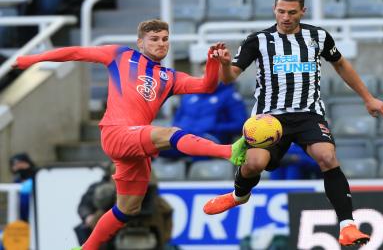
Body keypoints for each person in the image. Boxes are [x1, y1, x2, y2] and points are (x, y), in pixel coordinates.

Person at [12, 19, 247, 250]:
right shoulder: (120, 55)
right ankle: (228, 151)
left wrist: (214, 62)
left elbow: (206, 86)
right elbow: (75, 52)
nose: (161, 44)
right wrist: (31, 59)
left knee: (127, 209)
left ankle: (87, 248)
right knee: (170, 132)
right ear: (140, 43)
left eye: (165, 39)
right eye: (154, 39)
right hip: (116, 133)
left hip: (135, 144)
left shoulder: (170, 77)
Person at [202, 0, 383, 247]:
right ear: (274, 10)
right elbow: (230, 77)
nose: (286, 17)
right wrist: (225, 64)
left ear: (303, 11)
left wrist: (368, 98)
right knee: (253, 164)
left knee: (327, 157)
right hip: (268, 119)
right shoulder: (258, 40)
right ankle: (238, 196)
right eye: (281, 11)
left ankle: (347, 225)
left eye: (292, 12)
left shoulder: (318, 37)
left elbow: (340, 63)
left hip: (307, 113)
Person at [159, 68, 247, 161]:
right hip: (183, 136)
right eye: (204, 72)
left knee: (197, 149)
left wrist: (214, 127)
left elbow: (240, 124)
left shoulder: (230, 95)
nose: (208, 75)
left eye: (212, 72)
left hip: (210, 137)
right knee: (151, 146)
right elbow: (176, 121)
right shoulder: (188, 94)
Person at [9, 153, 37, 222]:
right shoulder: (16, 181)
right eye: (15, 164)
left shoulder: (37, 178)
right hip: (21, 216)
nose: (18, 166)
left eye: (21, 163)